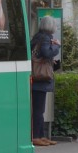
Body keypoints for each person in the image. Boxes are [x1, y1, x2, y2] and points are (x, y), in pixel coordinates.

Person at [29, 16, 59, 146]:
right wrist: (57, 46)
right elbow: (46, 53)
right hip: (41, 78)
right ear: (51, 26)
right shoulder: (46, 38)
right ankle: (37, 136)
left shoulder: (37, 37)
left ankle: (41, 136)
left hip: (36, 78)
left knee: (39, 110)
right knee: (38, 110)